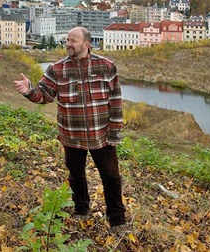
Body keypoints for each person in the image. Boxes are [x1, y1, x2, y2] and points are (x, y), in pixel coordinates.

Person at [13, 26, 127, 231]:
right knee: (76, 176)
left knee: (111, 177)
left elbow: (116, 101)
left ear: (86, 44)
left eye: (73, 41)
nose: (68, 44)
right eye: (67, 40)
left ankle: (117, 220)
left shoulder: (107, 66)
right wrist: (29, 90)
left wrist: (115, 131)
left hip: (101, 135)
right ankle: (81, 211)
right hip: (71, 135)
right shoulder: (57, 69)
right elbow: (44, 95)